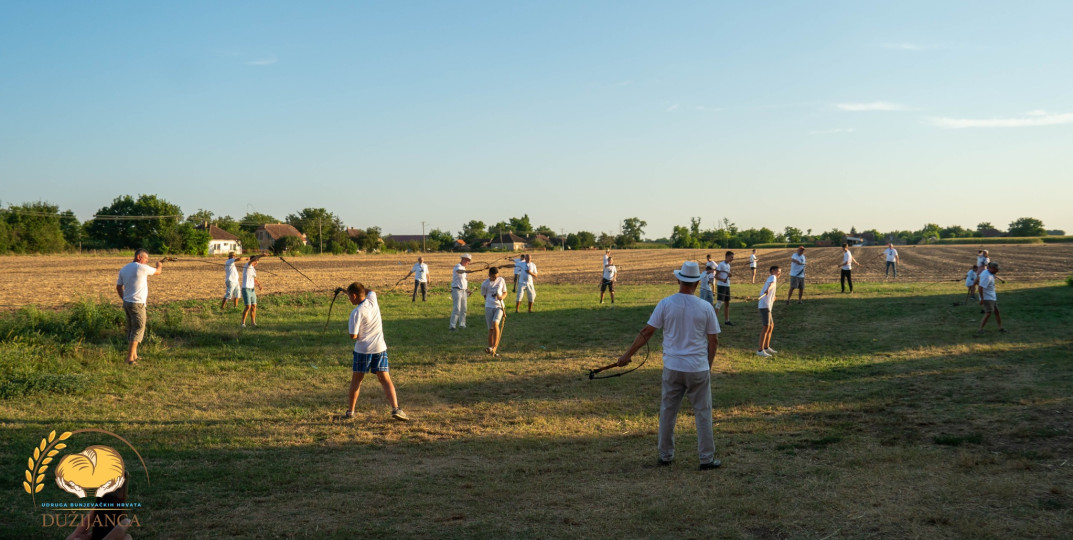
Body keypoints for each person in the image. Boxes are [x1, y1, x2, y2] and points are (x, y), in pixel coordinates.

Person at [617, 261, 721, 470]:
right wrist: (707, 366)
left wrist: (627, 355)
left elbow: (647, 332)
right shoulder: (705, 307)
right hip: (698, 368)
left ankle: (665, 455)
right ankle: (706, 458)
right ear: (697, 282)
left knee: (668, 412)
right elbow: (713, 340)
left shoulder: (666, 303)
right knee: (703, 413)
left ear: (679, 279)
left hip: (673, 367)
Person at [342, 282, 409, 421]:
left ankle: (350, 412)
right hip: (380, 348)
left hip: (363, 350)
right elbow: (371, 290)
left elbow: (353, 336)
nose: (349, 299)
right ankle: (396, 408)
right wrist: (351, 290)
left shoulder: (356, 312)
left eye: (349, 296)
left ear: (354, 296)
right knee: (385, 379)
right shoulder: (372, 300)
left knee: (356, 381)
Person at [115, 249, 164, 366]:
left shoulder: (124, 269)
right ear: (138, 257)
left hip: (127, 303)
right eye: (146, 259)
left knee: (132, 328)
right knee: (138, 329)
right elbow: (157, 272)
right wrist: (160, 265)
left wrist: (124, 298)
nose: (147, 261)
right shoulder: (141, 267)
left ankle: (134, 355)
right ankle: (129, 359)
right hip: (138, 304)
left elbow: (118, 287)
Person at [481, 267, 508, 356]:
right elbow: (485, 296)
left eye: (496, 276)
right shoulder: (484, 284)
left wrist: (501, 298)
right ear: (489, 275)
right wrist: (490, 301)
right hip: (489, 307)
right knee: (491, 329)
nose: (495, 278)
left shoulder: (501, 280)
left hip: (499, 306)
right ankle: (492, 349)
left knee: (495, 323)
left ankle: (494, 347)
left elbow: (505, 292)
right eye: (493, 277)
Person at [756, 266, 781, 357]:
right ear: (773, 271)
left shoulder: (772, 278)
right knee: (766, 326)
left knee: (771, 326)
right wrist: (768, 289)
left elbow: (772, 286)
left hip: (767, 305)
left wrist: (773, 296)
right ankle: (760, 350)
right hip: (764, 305)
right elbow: (772, 285)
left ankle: (766, 347)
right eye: (778, 271)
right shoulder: (772, 277)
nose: (779, 273)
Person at [450, 254, 479, 330]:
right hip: (457, 290)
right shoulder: (457, 266)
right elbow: (459, 271)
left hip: (463, 291)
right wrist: (467, 271)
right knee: (457, 308)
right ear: (463, 259)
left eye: (469, 261)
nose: (468, 262)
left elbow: (463, 281)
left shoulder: (464, 269)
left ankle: (462, 324)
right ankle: (452, 326)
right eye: (468, 260)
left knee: (464, 309)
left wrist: (467, 289)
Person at [976, 262, 1006, 334]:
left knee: (997, 312)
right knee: (988, 313)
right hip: (987, 297)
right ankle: (980, 329)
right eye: (996, 269)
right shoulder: (987, 276)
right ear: (991, 268)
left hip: (992, 297)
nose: (997, 271)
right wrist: (982, 299)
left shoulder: (988, 272)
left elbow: (978, 278)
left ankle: (1000, 328)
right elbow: (980, 288)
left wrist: (974, 283)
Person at [240, 256, 262, 328]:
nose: (256, 263)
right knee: (248, 306)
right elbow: (251, 260)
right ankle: (243, 323)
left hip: (252, 289)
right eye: (256, 261)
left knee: (254, 306)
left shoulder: (253, 269)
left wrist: (258, 285)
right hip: (246, 289)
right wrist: (262, 255)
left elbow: (254, 279)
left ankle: (253, 322)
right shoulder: (247, 265)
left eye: (257, 261)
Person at [714, 251, 734, 326]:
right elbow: (716, 276)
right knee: (719, 303)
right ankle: (715, 321)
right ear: (727, 256)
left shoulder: (728, 265)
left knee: (727, 303)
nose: (732, 258)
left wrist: (730, 275)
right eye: (731, 257)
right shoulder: (721, 265)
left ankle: (727, 320)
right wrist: (723, 280)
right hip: (721, 286)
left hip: (727, 286)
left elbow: (727, 274)